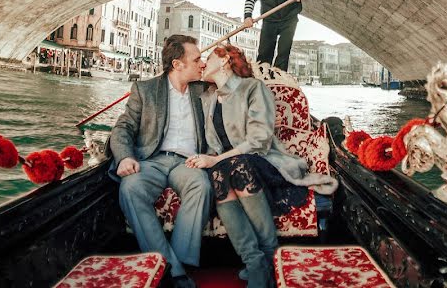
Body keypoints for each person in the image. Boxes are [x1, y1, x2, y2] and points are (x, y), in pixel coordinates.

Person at [186, 44, 337, 288]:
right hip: (228, 167)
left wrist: (217, 160)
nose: (203, 62)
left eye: (209, 57)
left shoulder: (254, 88)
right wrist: (206, 160)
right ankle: (255, 262)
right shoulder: (209, 97)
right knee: (218, 175)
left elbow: (259, 141)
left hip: (265, 161)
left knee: (233, 167)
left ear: (224, 61)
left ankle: (269, 254)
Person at [108, 35, 212, 288]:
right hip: (151, 160)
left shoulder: (204, 89)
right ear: (177, 64)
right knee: (130, 188)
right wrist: (125, 157)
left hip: (188, 162)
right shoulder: (145, 89)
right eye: (197, 59)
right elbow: (123, 128)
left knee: (202, 186)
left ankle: (175, 266)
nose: (203, 63)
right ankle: (172, 269)